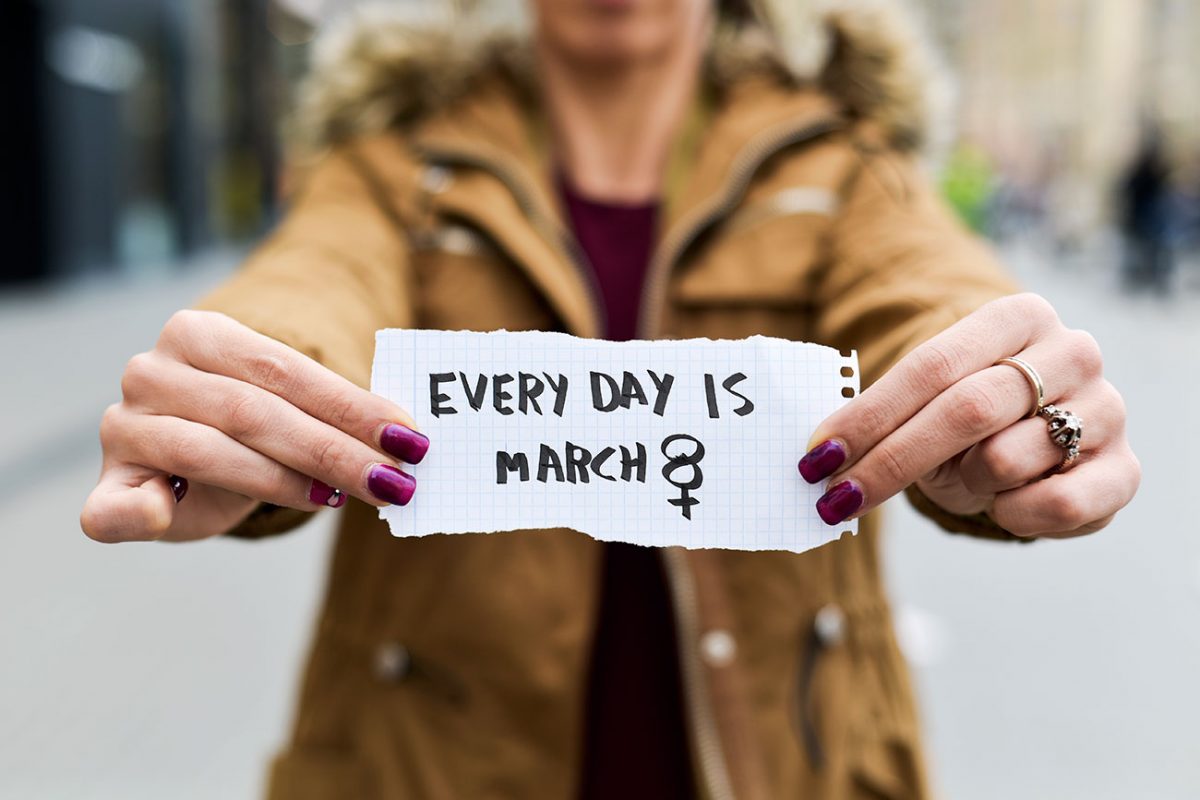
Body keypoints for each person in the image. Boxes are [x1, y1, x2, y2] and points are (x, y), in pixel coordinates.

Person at [80, 1, 1141, 798]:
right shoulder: (392, 164)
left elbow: (930, 288)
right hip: (424, 762)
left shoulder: (843, 160)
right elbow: (313, 282)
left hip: (794, 762)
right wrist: (247, 394)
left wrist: (999, 388)